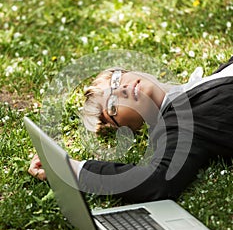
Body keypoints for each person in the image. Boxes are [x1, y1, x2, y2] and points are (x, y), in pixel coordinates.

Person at [29, 56, 233, 203]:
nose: (122, 89)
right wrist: (72, 169)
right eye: (113, 104)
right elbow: (159, 181)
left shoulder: (199, 88)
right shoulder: (179, 123)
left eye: (116, 80)